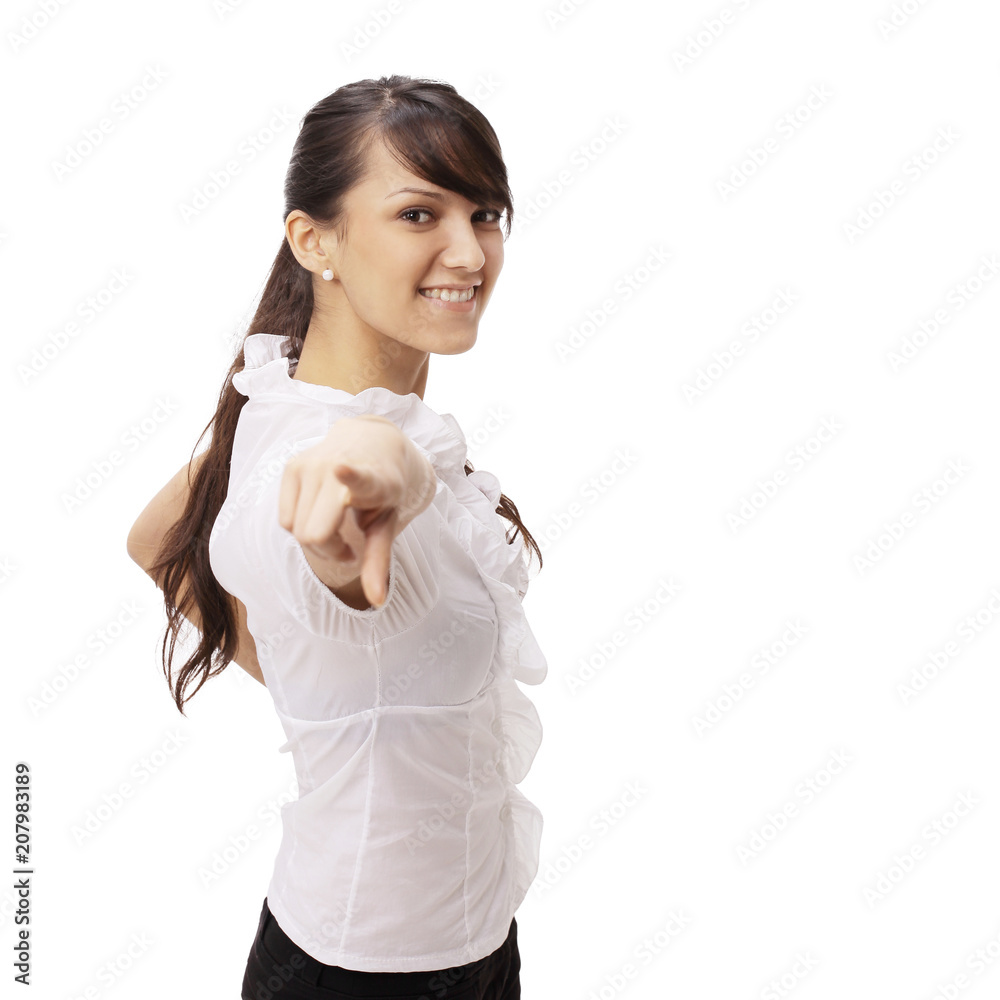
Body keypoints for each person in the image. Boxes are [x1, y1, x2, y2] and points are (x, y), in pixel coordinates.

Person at [125, 75, 547, 999]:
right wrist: (375, 470)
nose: (468, 249)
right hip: (361, 974)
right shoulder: (340, 453)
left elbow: (156, 538)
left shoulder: (283, 399)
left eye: (484, 213)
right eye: (417, 213)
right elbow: (337, 517)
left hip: (473, 940)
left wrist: (317, 681)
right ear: (313, 239)